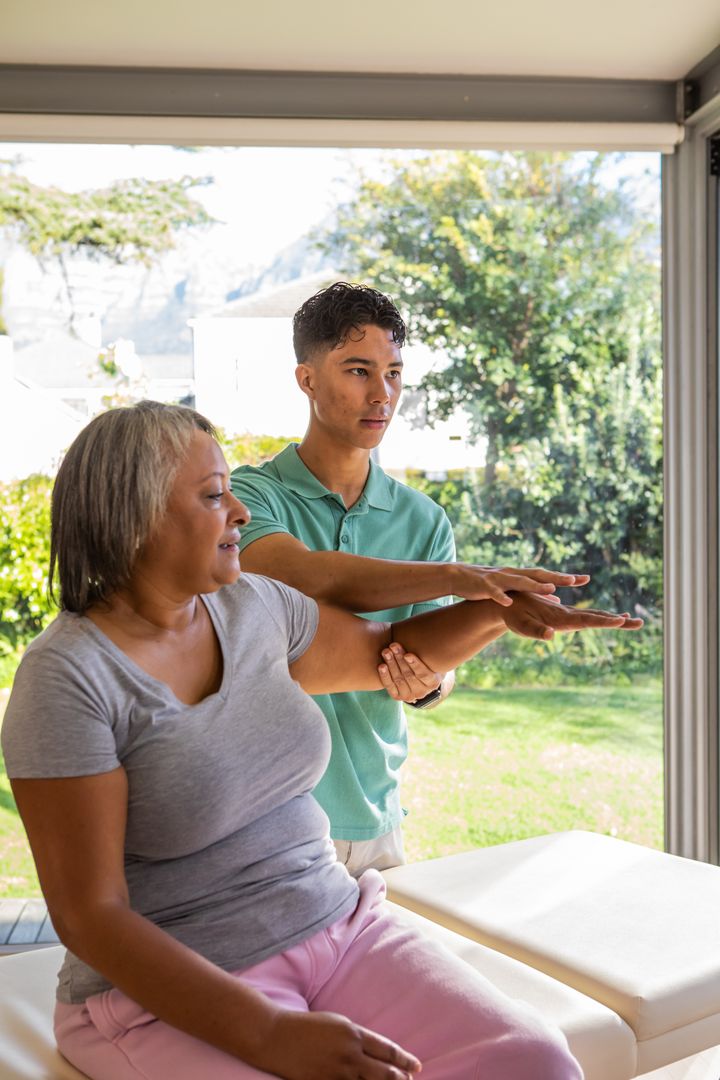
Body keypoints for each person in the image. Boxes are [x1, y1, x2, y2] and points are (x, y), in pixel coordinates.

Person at [2, 401, 640, 1080]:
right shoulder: (68, 678)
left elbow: (390, 651)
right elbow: (90, 915)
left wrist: (495, 608)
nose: (240, 513)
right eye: (216, 497)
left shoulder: (256, 607)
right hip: (157, 996)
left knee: (537, 1063)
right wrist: (270, 1033)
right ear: (134, 515)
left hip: (337, 927)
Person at [231, 281, 591, 876]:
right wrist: (460, 576)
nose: (382, 394)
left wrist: (434, 673)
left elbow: (434, 666)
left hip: (377, 820)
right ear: (307, 379)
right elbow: (304, 576)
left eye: (394, 373)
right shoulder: (250, 495)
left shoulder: (423, 520)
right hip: (270, 817)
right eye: (358, 370)